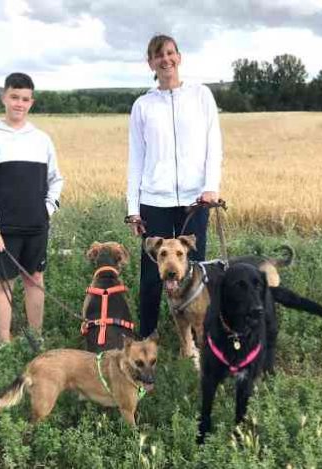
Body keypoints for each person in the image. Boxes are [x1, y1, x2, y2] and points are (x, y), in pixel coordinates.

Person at [126, 34, 223, 338]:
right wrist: (133, 209)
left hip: (196, 200)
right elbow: (136, 159)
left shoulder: (201, 96)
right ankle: (149, 335)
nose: (165, 60)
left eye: (170, 53)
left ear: (179, 57)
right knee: (153, 275)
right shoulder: (143, 105)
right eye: (159, 55)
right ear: (151, 63)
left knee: (196, 270)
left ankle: (196, 336)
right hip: (154, 200)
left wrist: (211, 187)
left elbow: (214, 145)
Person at [0, 72, 63, 344]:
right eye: (14, 97)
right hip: (3, 230)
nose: (19, 104)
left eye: (25, 99)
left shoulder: (41, 140)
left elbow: (56, 179)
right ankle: (4, 340)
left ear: (31, 103)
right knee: (3, 284)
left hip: (36, 226)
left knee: (35, 280)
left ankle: (36, 338)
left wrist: (47, 209)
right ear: (4, 97)